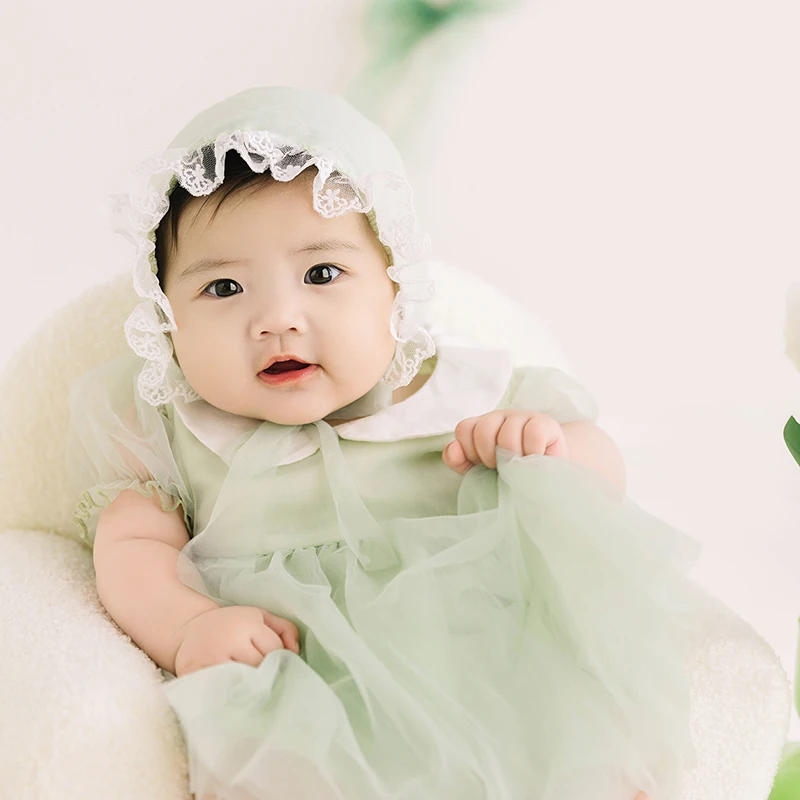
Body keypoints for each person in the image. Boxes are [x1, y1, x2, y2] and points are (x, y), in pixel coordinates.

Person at [67, 86, 699, 800]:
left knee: (575, 753)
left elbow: (598, 492)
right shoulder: (169, 423)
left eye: (322, 274)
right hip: (300, 674)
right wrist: (191, 628)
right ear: (164, 316)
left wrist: (548, 446)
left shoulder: (464, 390)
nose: (277, 318)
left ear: (396, 285)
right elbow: (131, 553)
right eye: (222, 288)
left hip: (485, 657)